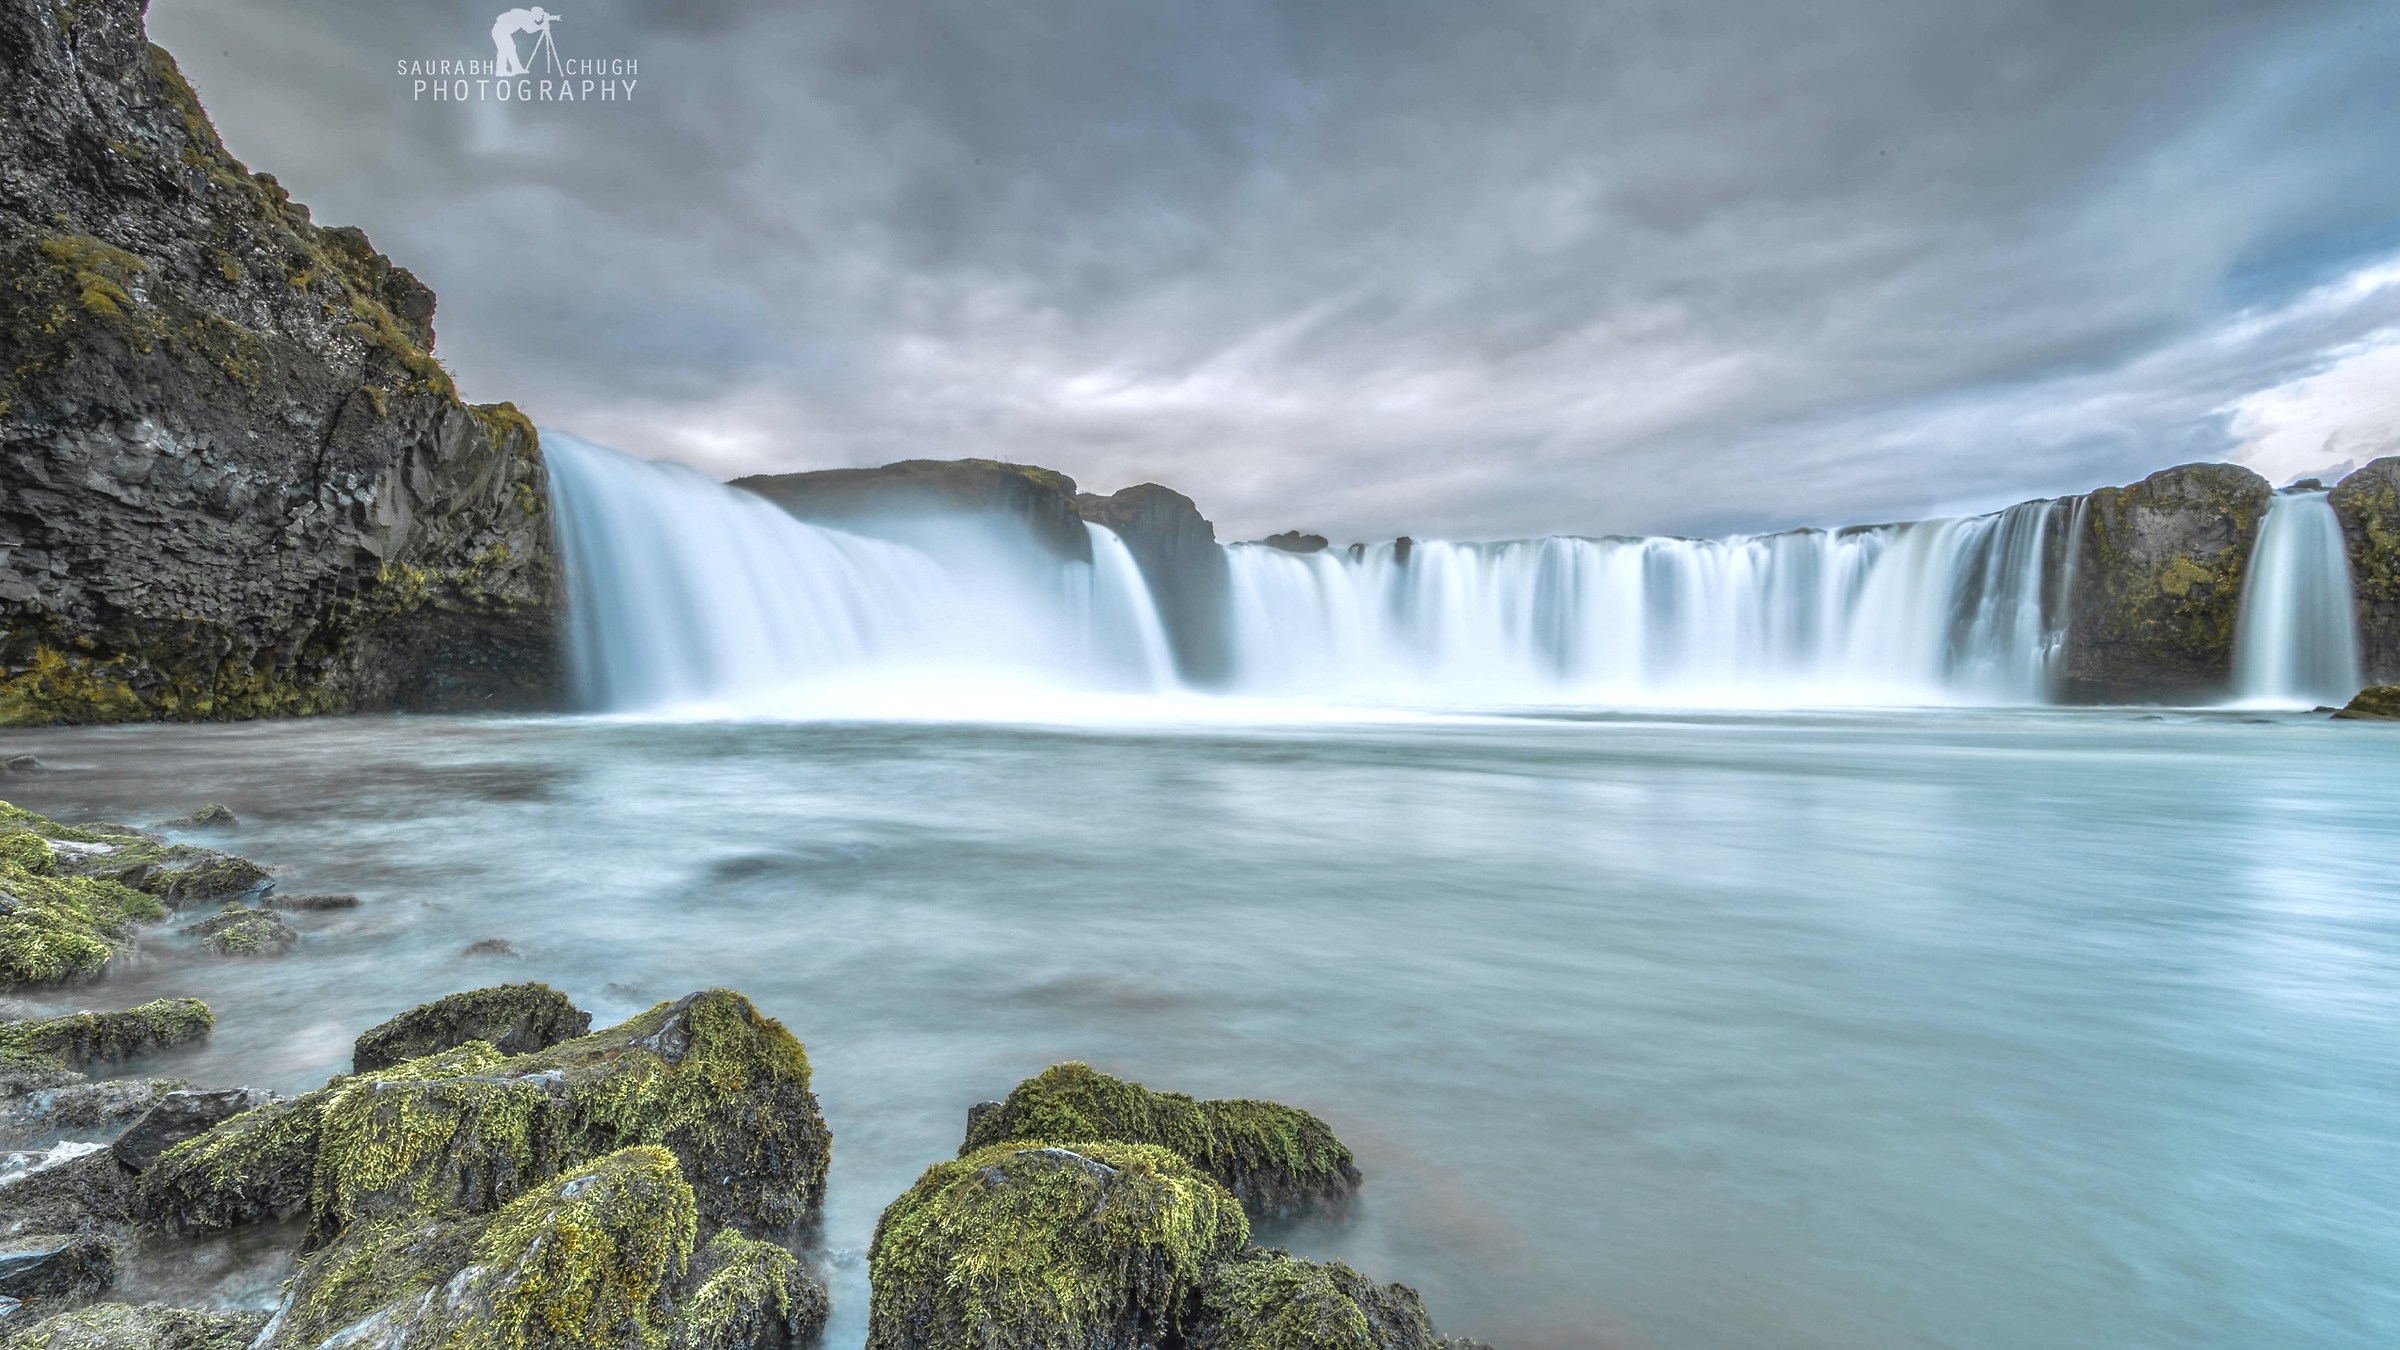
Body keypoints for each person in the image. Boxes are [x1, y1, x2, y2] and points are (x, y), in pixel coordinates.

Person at [491, 8, 559, 77]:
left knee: (506, 50)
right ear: (536, 14)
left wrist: (553, 18)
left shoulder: (528, 15)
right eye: (540, 15)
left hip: (501, 31)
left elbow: (534, 24)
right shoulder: (526, 16)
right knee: (508, 49)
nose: (541, 17)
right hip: (500, 31)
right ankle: (508, 69)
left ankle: (505, 70)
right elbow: (530, 29)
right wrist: (541, 26)